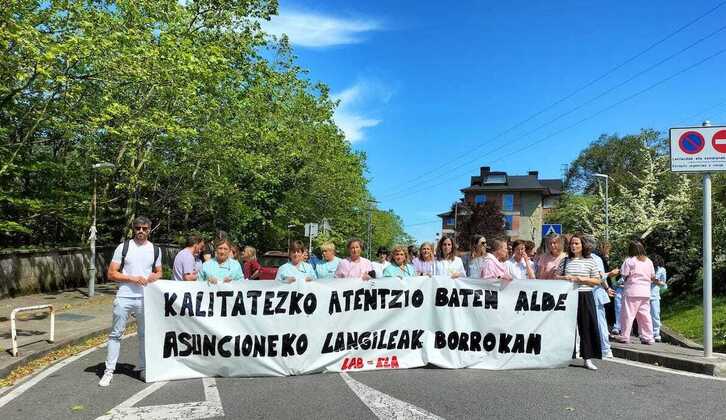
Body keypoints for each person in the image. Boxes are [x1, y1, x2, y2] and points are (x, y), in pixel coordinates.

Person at [99, 216, 162, 387]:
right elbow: (111, 273)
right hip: (125, 296)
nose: (141, 231)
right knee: (116, 334)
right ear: (133, 229)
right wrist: (133, 278)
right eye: (137, 228)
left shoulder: (155, 249)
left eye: (144, 228)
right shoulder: (123, 247)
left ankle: (143, 368)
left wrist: (152, 277)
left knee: (144, 335)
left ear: (150, 230)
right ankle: (109, 371)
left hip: (145, 298)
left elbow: (159, 272)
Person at [555, 233, 603, 371]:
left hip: (585, 295)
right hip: (568, 296)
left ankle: (587, 358)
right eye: (572, 244)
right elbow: (556, 277)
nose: (574, 246)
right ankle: (564, 356)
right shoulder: (564, 261)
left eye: (577, 243)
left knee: (586, 327)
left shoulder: (590, 261)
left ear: (583, 246)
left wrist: (581, 279)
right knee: (566, 327)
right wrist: (565, 278)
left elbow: (597, 281)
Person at [615, 240, 656, 345]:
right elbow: (652, 276)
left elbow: (624, 275)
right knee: (645, 316)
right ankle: (648, 337)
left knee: (628, 315)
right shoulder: (649, 261)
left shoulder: (629, 261)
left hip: (631, 291)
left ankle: (625, 336)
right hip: (645, 292)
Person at [584, 235, 618, 359]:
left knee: (599, 321)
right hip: (583, 292)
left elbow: (600, 276)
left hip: (595, 292)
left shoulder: (595, 258)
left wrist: (607, 287)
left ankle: (605, 348)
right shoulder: (576, 258)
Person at [651, 254, 668, 342]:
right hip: (644, 295)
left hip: (654, 295)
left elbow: (664, 284)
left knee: (655, 314)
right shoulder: (647, 268)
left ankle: (656, 333)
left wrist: (656, 281)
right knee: (645, 316)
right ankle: (648, 333)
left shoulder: (662, 270)